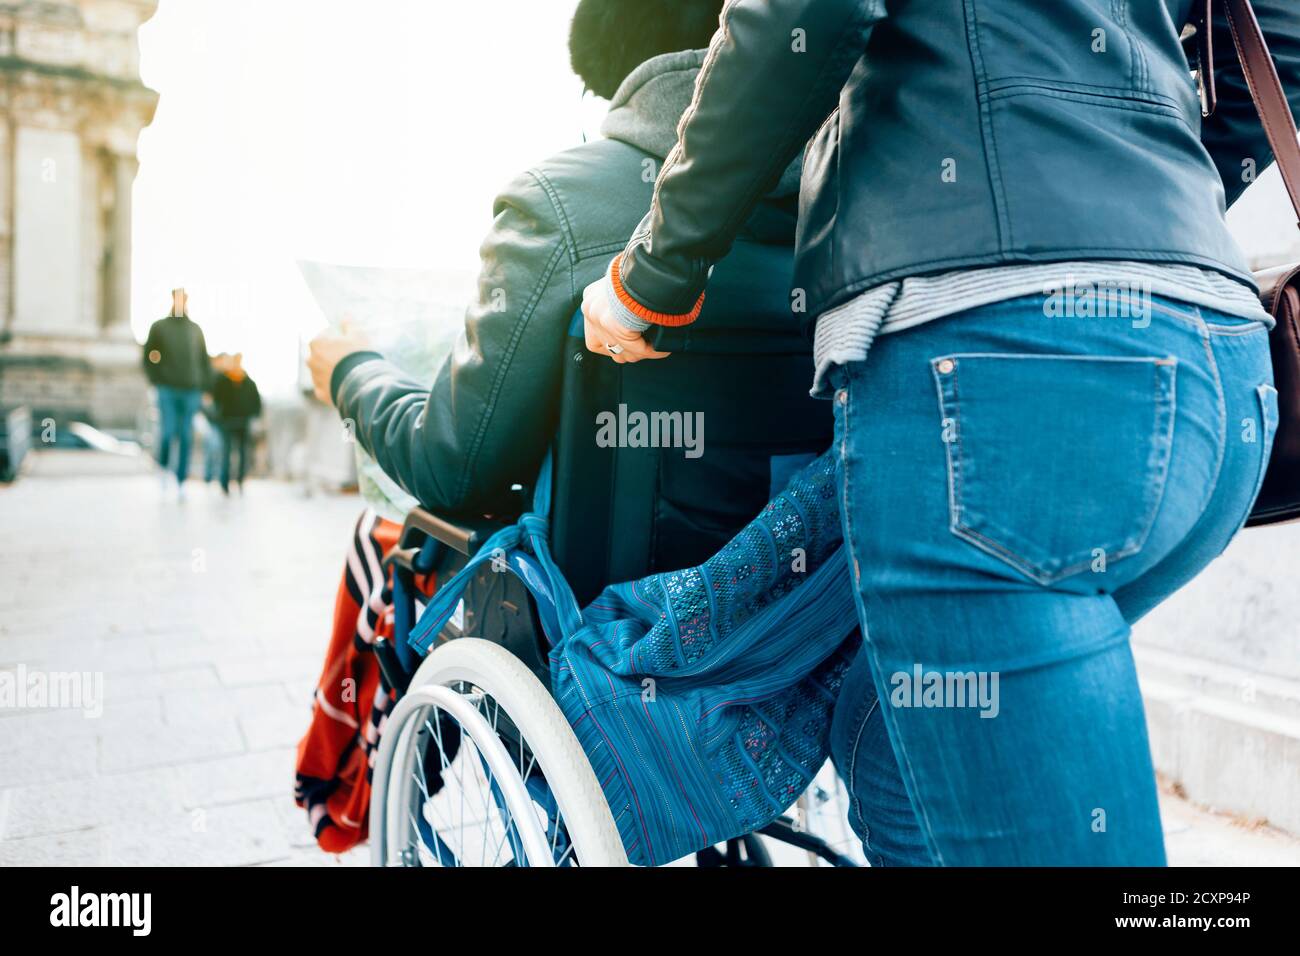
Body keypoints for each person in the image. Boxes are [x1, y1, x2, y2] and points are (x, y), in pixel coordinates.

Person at [580, 0, 1300, 865]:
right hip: (1224, 366)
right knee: (889, 741)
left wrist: (656, 268)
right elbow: (1282, 34)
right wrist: (1142, 200)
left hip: (1006, 368)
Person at [299, 0, 812, 851]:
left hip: (603, 631)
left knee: (377, 537)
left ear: (604, 77)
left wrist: (352, 373)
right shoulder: (840, 217)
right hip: (778, 623)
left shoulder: (561, 200)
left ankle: (343, 801)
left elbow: (453, 464)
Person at [142, 288, 211, 500]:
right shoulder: (159, 327)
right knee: (168, 432)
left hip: (191, 390)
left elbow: (203, 360)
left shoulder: (195, 330)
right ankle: (163, 470)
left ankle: (181, 480)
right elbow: (149, 356)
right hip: (167, 388)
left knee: (186, 436)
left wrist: (205, 388)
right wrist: (156, 380)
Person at [210, 352, 261, 495]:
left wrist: (252, 416)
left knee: (242, 453)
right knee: (226, 452)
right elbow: (216, 400)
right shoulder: (222, 380)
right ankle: (224, 482)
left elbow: (256, 403)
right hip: (226, 422)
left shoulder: (249, 382)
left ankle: (240, 481)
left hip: (243, 422)